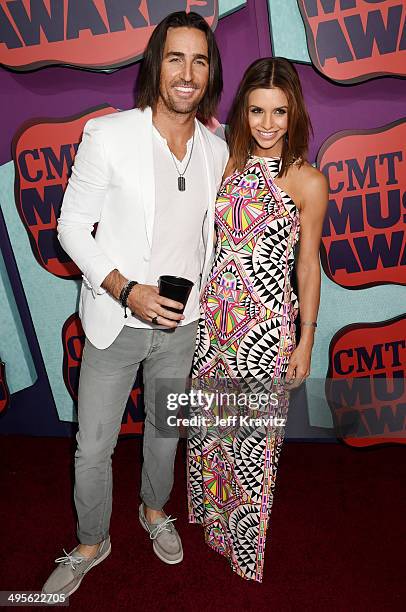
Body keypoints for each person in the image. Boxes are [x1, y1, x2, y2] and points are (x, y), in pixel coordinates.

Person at [42, 11, 228, 596]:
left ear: (209, 72)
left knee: (165, 432)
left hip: (183, 324)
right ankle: (92, 541)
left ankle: (154, 511)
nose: (187, 72)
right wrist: (125, 288)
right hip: (114, 320)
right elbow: (71, 228)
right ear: (156, 64)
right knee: (93, 444)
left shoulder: (216, 149)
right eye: (176, 57)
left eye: (199, 60)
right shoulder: (110, 134)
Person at [187, 57, 328, 582]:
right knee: (211, 432)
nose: (267, 125)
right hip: (214, 325)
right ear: (241, 113)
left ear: (294, 116)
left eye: (279, 113)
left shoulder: (308, 181)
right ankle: (211, 524)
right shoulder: (224, 164)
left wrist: (306, 341)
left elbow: (307, 267)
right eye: (256, 112)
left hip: (266, 330)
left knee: (251, 446)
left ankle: (245, 544)